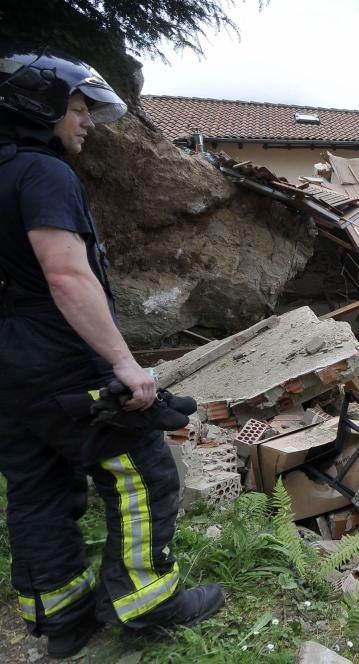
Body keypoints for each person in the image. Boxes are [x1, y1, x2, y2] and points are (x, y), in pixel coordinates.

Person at [0, 47, 224, 659]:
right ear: (41, 106)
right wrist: (125, 365)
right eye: (77, 108)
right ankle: (148, 603)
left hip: (11, 363)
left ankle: (62, 618)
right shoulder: (45, 175)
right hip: (60, 357)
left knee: (38, 482)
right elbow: (68, 276)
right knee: (139, 471)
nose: (88, 122)